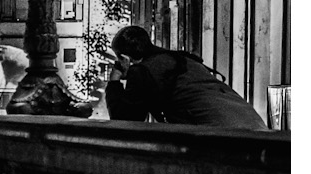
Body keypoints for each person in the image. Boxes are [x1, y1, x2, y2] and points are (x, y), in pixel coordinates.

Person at [102, 27, 268, 128]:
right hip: (253, 126)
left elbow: (124, 120)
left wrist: (115, 79)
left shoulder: (142, 71)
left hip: (220, 133)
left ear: (124, 57)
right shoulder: (182, 59)